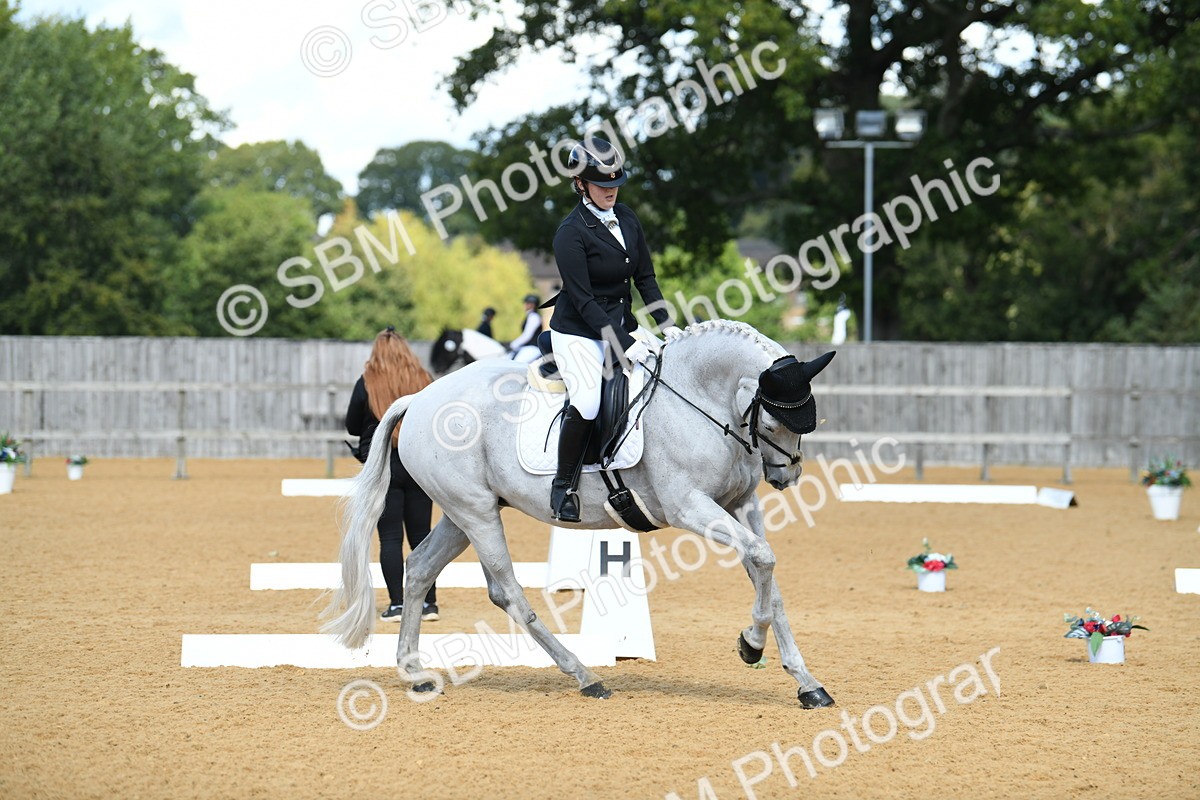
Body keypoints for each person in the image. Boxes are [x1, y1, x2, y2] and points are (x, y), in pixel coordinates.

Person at [543, 136, 679, 522]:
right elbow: (584, 302)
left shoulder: (629, 218)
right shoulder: (570, 232)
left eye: (616, 185)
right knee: (587, 400)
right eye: (603, 186)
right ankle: (563, 487)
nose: (611, 192)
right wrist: (622, 344)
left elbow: (646, 279)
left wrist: (669, 328)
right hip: (579, 332)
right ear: (581, 184)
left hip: (622, 325)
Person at [344, 326, 440, 622]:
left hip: (384, 465)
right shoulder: (423, 380)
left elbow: (350, 425)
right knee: (422, 536)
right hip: (418, 465)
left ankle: (398, 604)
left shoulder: (367, 383)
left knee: (390, 538)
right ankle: (429, 604)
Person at [507, 293, 543, 363]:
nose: (524, 305)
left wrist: (512, 345)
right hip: (526, 348)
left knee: (516, 364)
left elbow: (527, 335)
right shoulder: (530, 316)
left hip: (532, 349)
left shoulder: (534, 317)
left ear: (532, 305)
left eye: (526, 303)